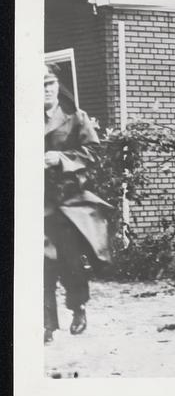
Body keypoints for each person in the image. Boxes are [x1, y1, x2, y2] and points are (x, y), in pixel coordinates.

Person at [44, 64, 112, 345]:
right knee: (42, 262)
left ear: (57, 86)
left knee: (70, 260)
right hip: (37, 202)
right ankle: (46, 324)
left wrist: (61, 159)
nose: (45, 90)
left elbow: (94, 153)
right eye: (38, 86)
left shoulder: (75, 117)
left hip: (68, 202)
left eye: (49, 84)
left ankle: (77, 308)